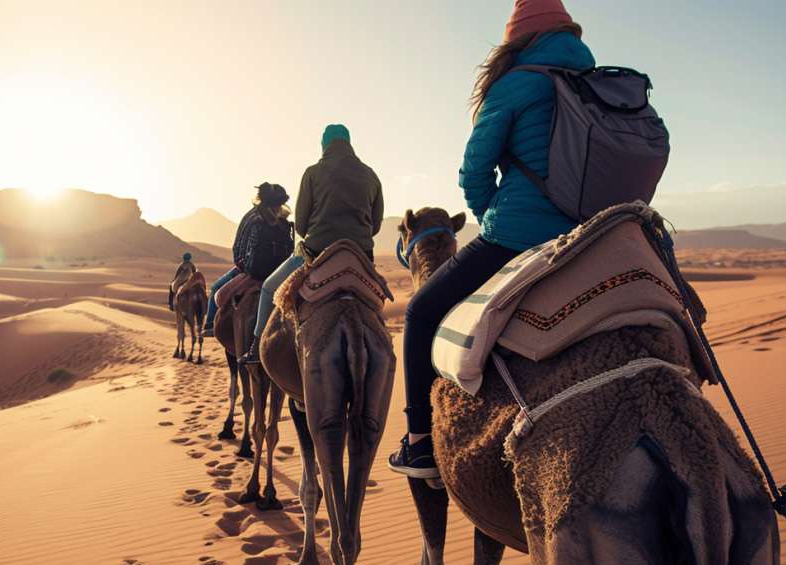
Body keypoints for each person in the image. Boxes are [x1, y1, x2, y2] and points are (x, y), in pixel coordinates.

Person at [388, 0, 593, 479]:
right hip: (597, 237)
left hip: (520, 237)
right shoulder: (602, 83)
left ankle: (420, 444)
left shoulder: (516, 83)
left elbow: (474, 172)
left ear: (517, 39)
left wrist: (494, 219)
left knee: (419, 314)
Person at [239, 124, 383, 364]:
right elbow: (376, 226)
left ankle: (255, 348)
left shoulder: (313, 173)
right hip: (360, 256)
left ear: (324, 145)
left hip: (316, 253)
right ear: (349, 143)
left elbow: (303, 226)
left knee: (268, 288)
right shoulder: (371, 175)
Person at [202, 182, 290, 335]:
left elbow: (241, 249)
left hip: (251, 271)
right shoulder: (284, 223)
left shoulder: (252, 219)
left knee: (216, 290)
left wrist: (244, 268)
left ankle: (210, 326)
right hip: (280, 270)